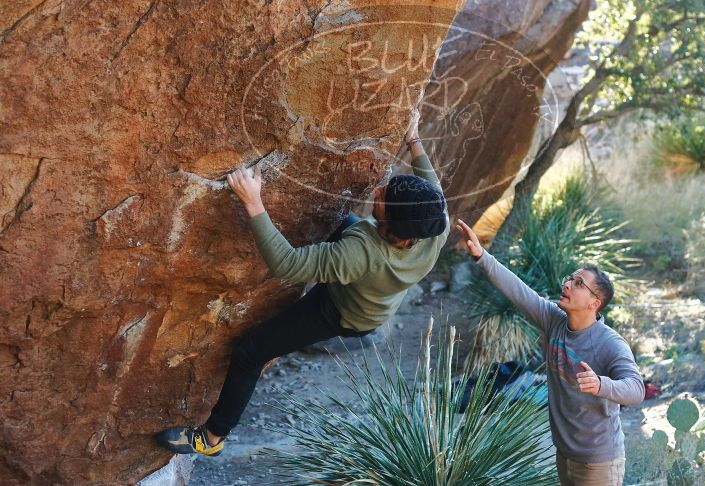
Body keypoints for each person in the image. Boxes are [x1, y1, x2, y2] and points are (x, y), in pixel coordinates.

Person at [156, 110, 449, 456]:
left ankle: (212, 438)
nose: (381, 187)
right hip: (368, 287)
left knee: (251, 351)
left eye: (385, 196)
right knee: (342, 222)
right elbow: (432, 188)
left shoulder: (359, 253)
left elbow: (287, 264)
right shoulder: (433, 227)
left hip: (342, 312)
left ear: (392, 224)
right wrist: (413, 138)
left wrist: (253, 202)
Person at [455, 219, 644, 486]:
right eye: (571, 278)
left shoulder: (610, 343)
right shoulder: (553, 319)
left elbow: (636, 389)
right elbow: (519, 291)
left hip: (599, 461)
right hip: (565, 454)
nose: (567, 284)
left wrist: (602, 384)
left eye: (579, 283)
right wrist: (482, 256)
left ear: (594, 303)